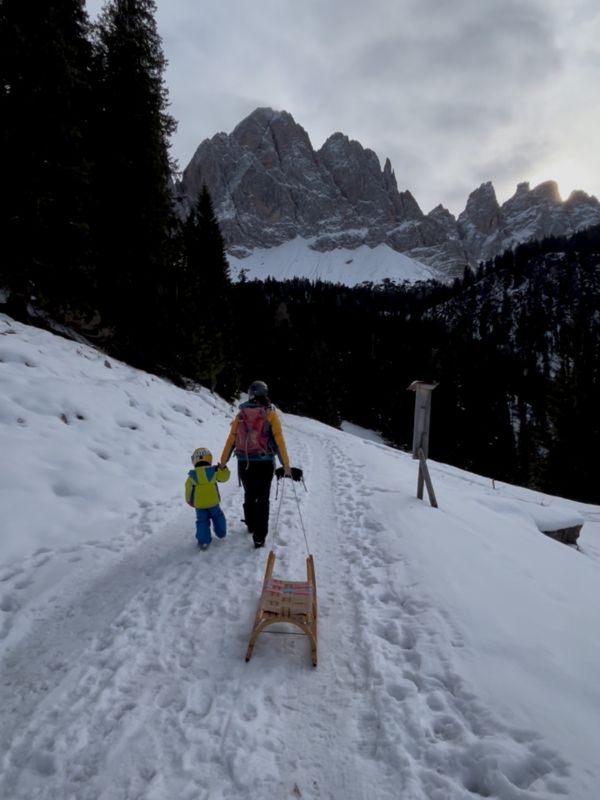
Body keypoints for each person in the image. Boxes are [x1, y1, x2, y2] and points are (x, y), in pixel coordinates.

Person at [219, 381, 291, 549]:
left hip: (244, 462)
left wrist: (222, 463)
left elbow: (231, 440)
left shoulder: (241, 414)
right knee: (263, 498)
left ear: (251, 394)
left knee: (250, 494)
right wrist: (286, 465)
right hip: (264, 463)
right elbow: (279, 442)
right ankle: (259, 537)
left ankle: (251, 523)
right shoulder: (270, 414)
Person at [185, 447, 230, 550]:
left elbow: (188, 490)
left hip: (199, 505)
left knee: (202, 521)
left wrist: (190, 501)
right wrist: (224, 469)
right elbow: (224, 478)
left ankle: (204, 541)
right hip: (213, 502)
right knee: (218, 516)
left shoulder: (191, 476)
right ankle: (221, 532)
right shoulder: (213, 472)